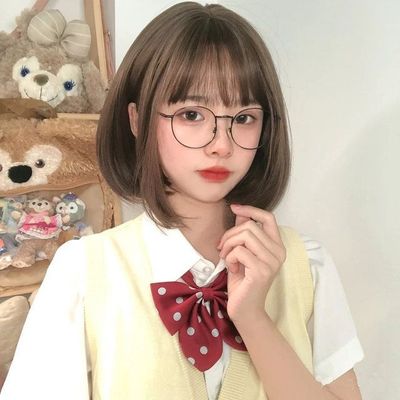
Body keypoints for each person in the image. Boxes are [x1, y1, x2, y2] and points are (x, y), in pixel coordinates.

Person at [0, 2, 364, 399]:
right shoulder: (84, 272)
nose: (221, 144)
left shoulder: (307, 266)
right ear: (137, 120)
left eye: (243, 118)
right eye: (191, 115)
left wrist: (254, 320)